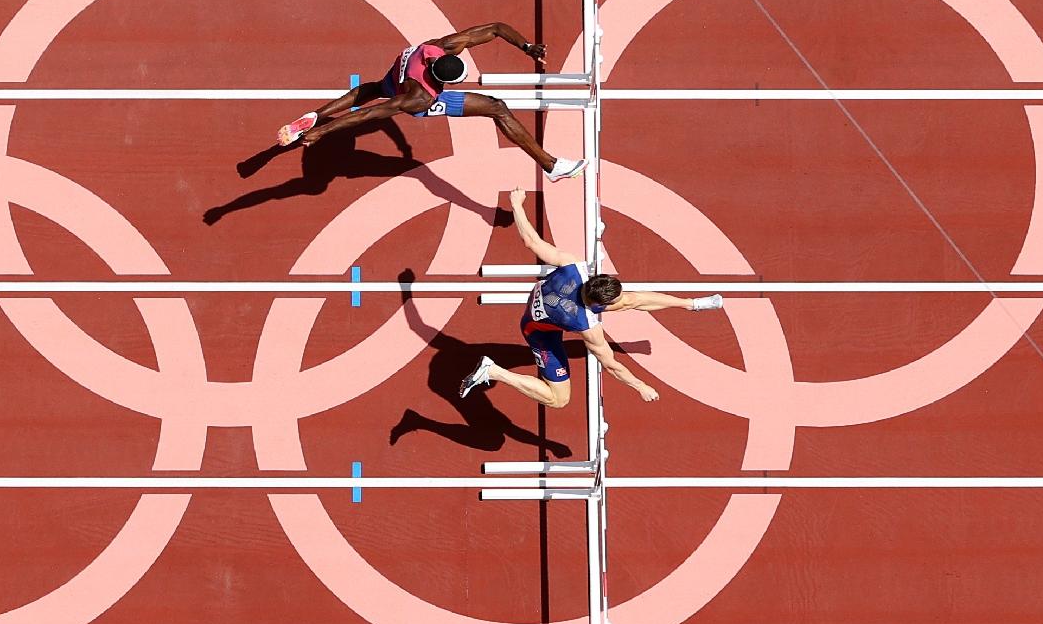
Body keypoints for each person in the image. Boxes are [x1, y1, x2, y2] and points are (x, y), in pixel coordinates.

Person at [460, 188, 723, 408]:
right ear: (599, 306)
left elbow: (531, 241)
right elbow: (612, 365)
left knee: (630, 300)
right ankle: (493, 371)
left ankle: (691, 304)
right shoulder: (586, 325)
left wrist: (516, 204)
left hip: (550, 299)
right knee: (558, 399)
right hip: (536, 331)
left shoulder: (574, 266)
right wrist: (640, 386)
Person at [275, 22, 584, 182]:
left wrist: (527, 46)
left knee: (372, 88)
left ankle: (315, 115)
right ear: (443, 79)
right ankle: (551, 165)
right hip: (412, 97)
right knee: (496, 107)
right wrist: (324, 135)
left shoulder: (434, 48)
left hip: (398, 73)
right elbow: (368, 116)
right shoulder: (421, 97)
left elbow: (496, 28)